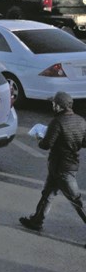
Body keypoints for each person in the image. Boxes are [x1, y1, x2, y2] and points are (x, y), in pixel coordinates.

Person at [20, 91, 86, 235]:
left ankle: (36, 221)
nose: (52, 105)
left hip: (62, 168)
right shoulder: (81, 121)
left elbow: (46, 145)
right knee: (48, 194)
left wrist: (39, 137)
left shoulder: (57, 122)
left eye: (53, 103)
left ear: (59, 106)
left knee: (77, 201)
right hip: (67, 166)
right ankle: (36, 221)